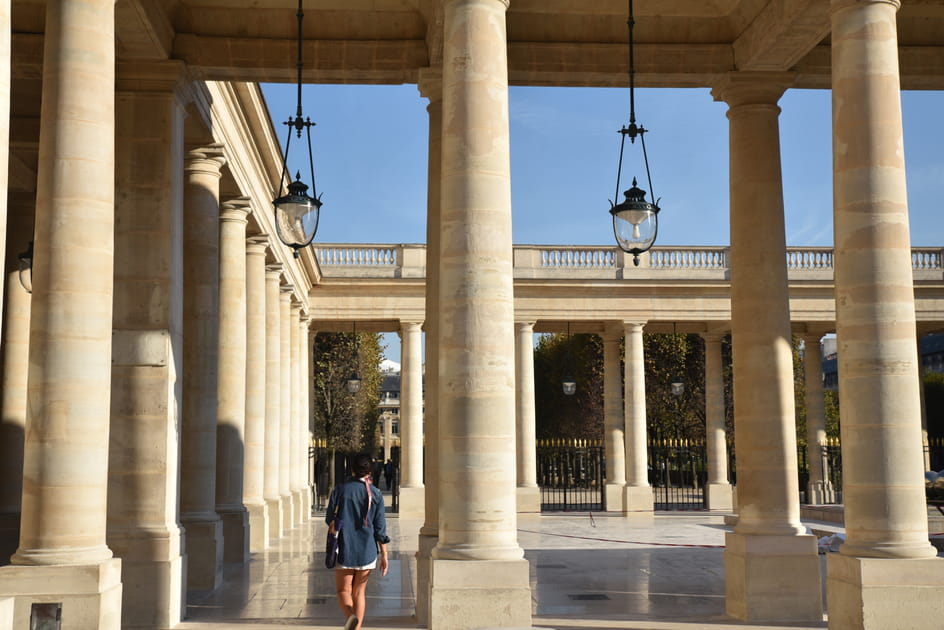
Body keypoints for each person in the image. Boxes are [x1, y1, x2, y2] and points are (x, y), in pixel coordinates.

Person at [326, 452, 389, 630]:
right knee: (359, 592)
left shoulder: (339, 490)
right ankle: (357, 627)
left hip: (344, 547)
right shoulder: (376, 494)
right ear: (370, 471)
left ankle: (350, 617)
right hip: (367, 550)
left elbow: (330, 519)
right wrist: (384, 554)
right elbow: (380, 528)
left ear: (352, 469)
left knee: (343, 591)